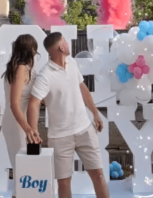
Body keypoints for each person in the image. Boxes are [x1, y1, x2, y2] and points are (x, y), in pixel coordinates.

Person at [27, 33, 108, 198]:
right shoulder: (45, 76)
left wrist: (95, 113)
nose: (67, 43)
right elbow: (33, 103)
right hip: (60, 137)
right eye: (65, 40)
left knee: (98, 174)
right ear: (61, 47)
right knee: (63, 182)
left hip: (85, 130)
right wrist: (33, 130)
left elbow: (82, 88)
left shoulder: (72, 62)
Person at [1, 34, 42, 197]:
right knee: (23, 169)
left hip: (19, 122)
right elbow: (14, 104)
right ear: (31, 50)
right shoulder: (21, 68)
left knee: (23, 169)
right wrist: (28, 129)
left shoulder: (17, 67)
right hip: (17, 123)